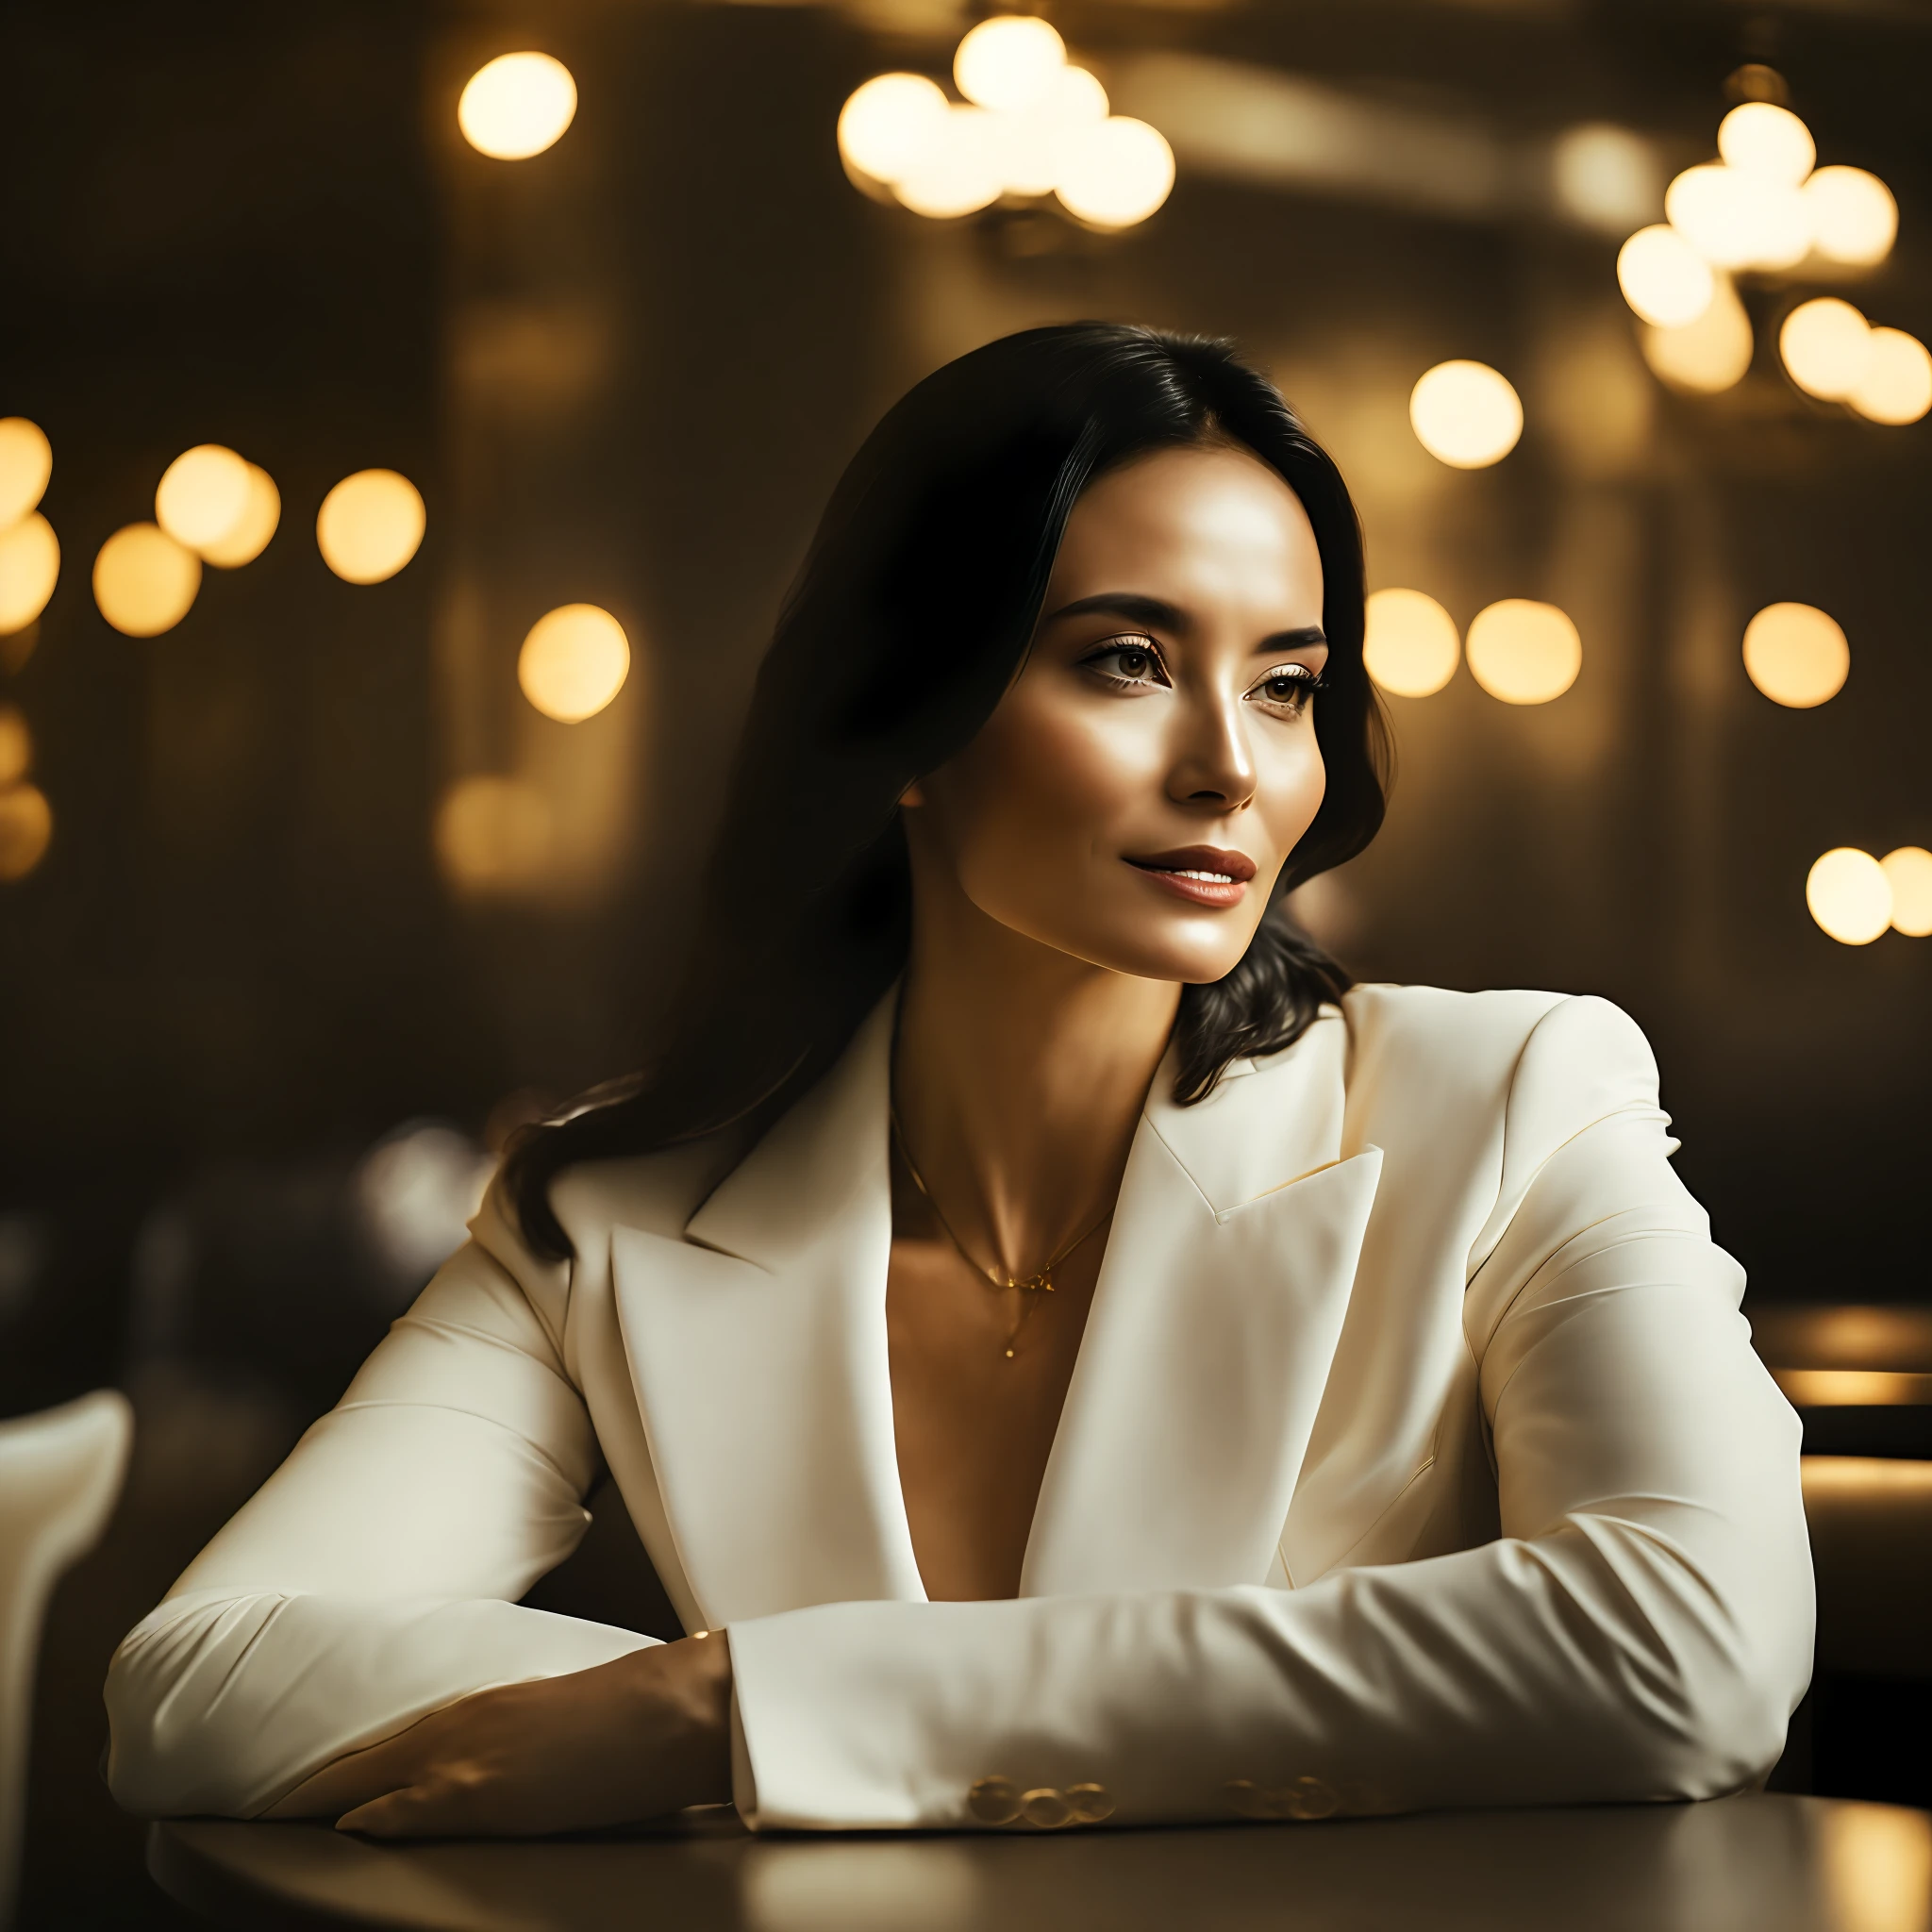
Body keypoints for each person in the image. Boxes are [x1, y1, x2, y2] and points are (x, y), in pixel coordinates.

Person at [106, 324, 1812, 1838]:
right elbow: (200, 1688)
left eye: (1286, 685)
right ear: (909, 720)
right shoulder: (614, 1211)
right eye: (1126, 661)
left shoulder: (1513, 1095)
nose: (1231, 764)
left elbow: (1694, 1641)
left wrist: (729, 1715)